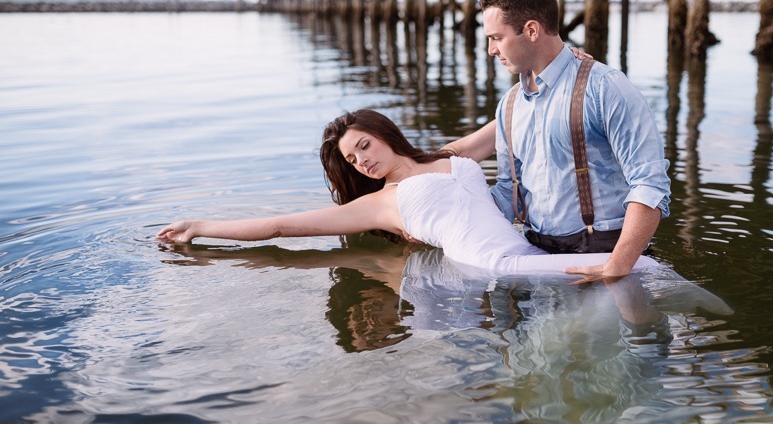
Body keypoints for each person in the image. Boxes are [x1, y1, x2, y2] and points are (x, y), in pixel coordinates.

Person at [156, 109, 664, 278]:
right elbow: (281, 225)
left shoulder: (449, 156)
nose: (363, 161)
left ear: (383, 133)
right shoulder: (380, 201)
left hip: (525, 253)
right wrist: (200, 227)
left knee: (636, 273)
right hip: (495, 269)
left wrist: (571, 67)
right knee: (641, 268)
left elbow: (515, 115)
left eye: (364, 146)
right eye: (354, 161)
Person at [448, 0, 671, 280]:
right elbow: (507, 192)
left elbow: (650, 183)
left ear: (531, 30)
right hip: (536, 257)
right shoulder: (509, 105)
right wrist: (446, 214)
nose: (490, 49)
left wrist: (617, 266)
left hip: (607, 254)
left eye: (496, 38)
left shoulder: (604, 87)